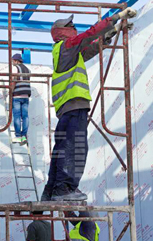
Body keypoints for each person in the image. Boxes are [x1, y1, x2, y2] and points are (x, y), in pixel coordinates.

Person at [41, 8, 137, 201]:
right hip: (75, 105)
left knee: (62, 148)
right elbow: (89, 34)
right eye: (70, 25)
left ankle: (51, 191)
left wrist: (111, 33)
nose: (74, 27)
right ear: (63, 31)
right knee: (75, 147)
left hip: (67, 108)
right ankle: (65, 189)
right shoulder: (67, 45)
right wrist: (116, 17)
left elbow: (89, 49)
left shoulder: (65, 51)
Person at [11, 53, 32, 144]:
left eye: (13, 61)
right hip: (26, 95)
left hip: (17, 95)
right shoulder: (28, 69)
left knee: (17, 116)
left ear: (16, 60)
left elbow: (14, 80)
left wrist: (10, 91)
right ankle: (24, 136)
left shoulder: (16, 68)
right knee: (25, 116)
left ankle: (18, 136)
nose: (12, 62)